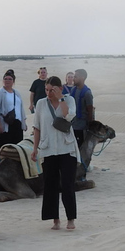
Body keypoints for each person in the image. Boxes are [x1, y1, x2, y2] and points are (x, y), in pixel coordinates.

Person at [30, 76, 79, 230]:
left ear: (60, 88)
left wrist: (61, 98)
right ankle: (55, 219)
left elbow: (68, 116)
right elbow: (36, 127)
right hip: (48, 148)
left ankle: (70, 218)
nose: (49, 93)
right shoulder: (41, 103)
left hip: (67, 148)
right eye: (47, 90)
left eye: (52, 90)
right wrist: (35, 149)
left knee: (67, 184)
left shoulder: (69, 100)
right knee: (50, 185)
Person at [0, 69, 27, 151]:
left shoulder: (17, 93)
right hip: (5, 125)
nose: (7, 81)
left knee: (17, 148)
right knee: (4, 148)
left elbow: (21, 108)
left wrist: (24, 122)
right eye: (5, 79)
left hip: (17, 124)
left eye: (10, 79)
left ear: (13, 81)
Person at [69, 69, 95, 147]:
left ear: (82, 78)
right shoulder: (73, 90)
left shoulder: (87, 93)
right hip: (71, 126)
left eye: (76, 77)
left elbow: (90, 111)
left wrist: (90, 128)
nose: (73, 79)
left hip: (82, 127)